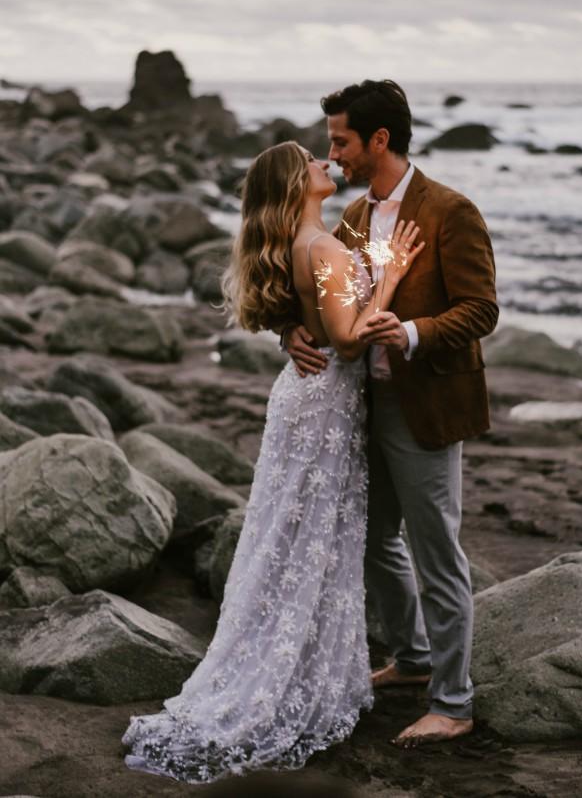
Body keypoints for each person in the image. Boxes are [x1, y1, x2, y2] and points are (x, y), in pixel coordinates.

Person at [121, 140, 424, 783]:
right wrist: (391, 276)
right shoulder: (321, 247)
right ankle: (287, 675)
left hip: (307, 403)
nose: (325, 164)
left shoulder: (306, 243)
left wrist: (300, 324)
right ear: (297, 185)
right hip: (321, 408)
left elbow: (318, 313)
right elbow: (345, 339)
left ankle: (297, 662)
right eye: (313, 161)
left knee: (295, 535)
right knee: (307, 536)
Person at [285, 80, 499, 748]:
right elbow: (330, 298)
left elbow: (480, 309)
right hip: (359, 408)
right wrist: (290, 332)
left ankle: (453, 700)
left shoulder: (449, 211)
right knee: (376, 541)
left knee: (436, 552)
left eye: (340, 140)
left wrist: (408, 332)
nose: (333, 151)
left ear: (379, 140)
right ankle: (410, 660)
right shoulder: (351, 216)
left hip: (426, 404)